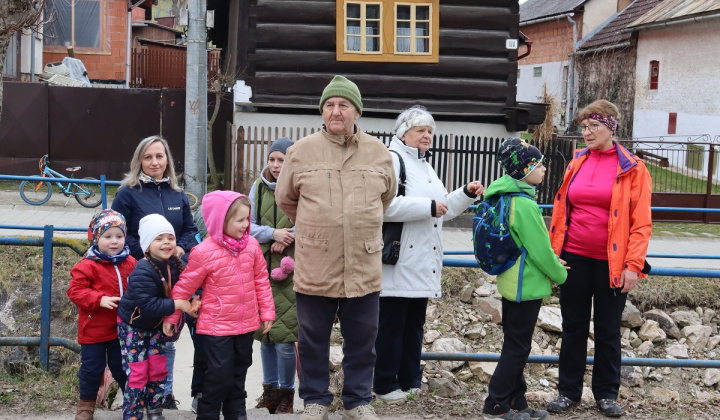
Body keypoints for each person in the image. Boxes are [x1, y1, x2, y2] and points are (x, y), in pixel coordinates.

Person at [275, 75, 397, 420]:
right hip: (317, 262)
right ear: (322, 111)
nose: (336, 111)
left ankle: (358, 401)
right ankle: (315, 400)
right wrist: (321, 225)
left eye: (343, 104)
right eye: (329, 105)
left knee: (362, 341)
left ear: (356, 110)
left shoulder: (379, 153)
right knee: (313, 340)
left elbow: (386, 197)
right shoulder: (301, 152)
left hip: (363, 261)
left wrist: (355, 222)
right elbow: (286, 199)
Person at [546, 100, 652, 418]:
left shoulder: (633, 167)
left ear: (611, 127)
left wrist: (634, 265)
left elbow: (641, 223)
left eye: (594, 126)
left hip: (613, 264)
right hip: (573, 259)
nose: (587, 132)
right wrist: (554, 256)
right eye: (584, 126)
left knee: (607, 330)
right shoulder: (576, 161)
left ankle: (606, 395)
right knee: (573, 328)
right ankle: (568, 393)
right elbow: (562, 211)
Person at [373, 106, 484, 403]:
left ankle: (409, 381)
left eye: (430, 130)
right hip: (397, 261)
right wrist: (428, 206)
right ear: (403, 132)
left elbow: (441, 210)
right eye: (420, 129)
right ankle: (384, 384)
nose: (427, 135)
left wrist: (465, 194)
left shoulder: (424, 164)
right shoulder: (393, 160)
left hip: (421, 261)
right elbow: (381, 207)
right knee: (392, 326)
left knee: (413, 326)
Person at [164, 191, 276, 420]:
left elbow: (261, 281)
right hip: (216, 328)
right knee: (219, 376)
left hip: (245, 325)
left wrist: (267, 311)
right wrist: (172, 317)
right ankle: (208, 414)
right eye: (240, 220)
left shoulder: (252, 246)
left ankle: (237, 414)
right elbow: (184, 287)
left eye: (247, 219)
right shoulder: (204, 252)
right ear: (220, 221)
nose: (246, 225)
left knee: (239, 373)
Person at [480, 139, 569, 420]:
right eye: (538, 164)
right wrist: (561, 274)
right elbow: (541, 251)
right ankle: (495, 404)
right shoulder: (525, 205)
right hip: (525, 285)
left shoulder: (503, 195)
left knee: (514, 344)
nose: (544, 168)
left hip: (510, 281)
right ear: (523, 170)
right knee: (518, 347)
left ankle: (516, 400)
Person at [112, 135, 199, 409]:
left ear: (167, 161)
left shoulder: (177, 194)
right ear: (139, 161)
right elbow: (119, 233)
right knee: (158, 336)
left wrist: (180, 249)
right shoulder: (128, 193)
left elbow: (190, 231)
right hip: (146, 275)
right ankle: (163, 395)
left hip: (178, 273)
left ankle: (182, 394)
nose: (154, 162)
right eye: (148, 157)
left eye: (159, 156)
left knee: (182, 332)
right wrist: (149, 254)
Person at [116, 214, 196, 420]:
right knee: (138, 371)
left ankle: (154, 410)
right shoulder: (142, 270)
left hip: (156, 326)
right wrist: (178, 304)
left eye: (170, 238)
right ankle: (132, 413)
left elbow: (187, 286)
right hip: (135, 325)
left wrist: (194, 299)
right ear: (147, 245)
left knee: (158, 369)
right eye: (159, 239)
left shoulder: (175, 265)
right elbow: (149, 306)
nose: (166, 243)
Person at [67, 210, 137, 420]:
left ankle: (132, 403)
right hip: (94, 329)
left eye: (119, 236)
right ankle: (86, 407)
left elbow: (140, 286)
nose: (114, 241)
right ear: (96, 238)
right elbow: (75, 291)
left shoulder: (131, 262)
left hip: (122, 329)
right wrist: (99, 299)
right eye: (107, 237)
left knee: (122, 367)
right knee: (92, 369)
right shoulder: (87, 265)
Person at [248, 137, 298, 414]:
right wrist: (272, 234)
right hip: (261, 270)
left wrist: (289, 237)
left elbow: (312, 221)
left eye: (282, 160)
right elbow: (248, 225)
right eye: (273, 159)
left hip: (291, 271)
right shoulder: (257, 188)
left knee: (285, 338)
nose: (276, 165)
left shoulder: (301, 186)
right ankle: (269, 392)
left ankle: (286, 395)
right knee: (264, 336)